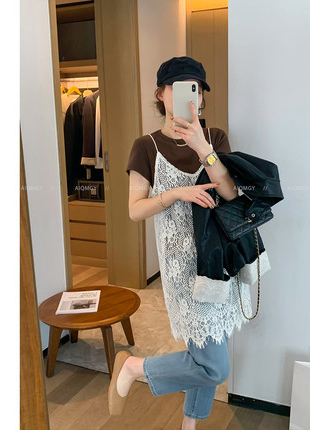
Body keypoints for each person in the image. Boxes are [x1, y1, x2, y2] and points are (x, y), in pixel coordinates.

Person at [109, 56, 254, 430]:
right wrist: (176, 194)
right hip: (182, 269)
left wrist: (204, 148)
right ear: (161, 94)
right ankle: (134, 367)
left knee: (205, 351)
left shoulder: (215, 137)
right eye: (180, 87)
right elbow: (135, 210)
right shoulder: (146, 147)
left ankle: (188, 426)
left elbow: (231, 193)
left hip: (218, 260)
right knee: (214, 366)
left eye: (197, 89)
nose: (192, 96)